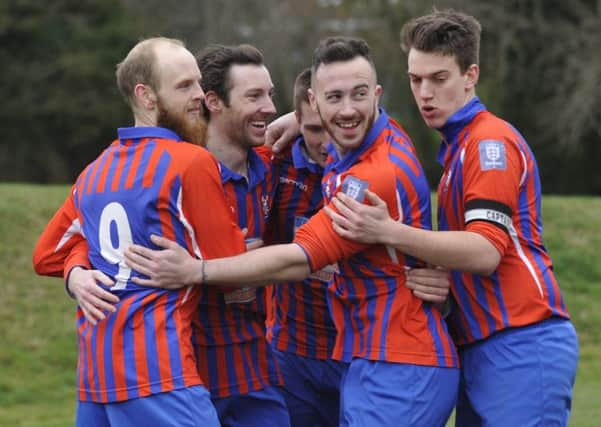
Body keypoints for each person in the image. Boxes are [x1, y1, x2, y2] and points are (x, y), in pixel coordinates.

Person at [125, 36, 460, 427]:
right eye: (333, 98)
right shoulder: (361, 137)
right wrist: (78, 271)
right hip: (346, 357)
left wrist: (196, 270)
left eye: (359, 95)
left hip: (400, 361)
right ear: (313, 104)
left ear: (377, 95)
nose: (348, 109)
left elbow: (301, 257)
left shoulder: (372, 177)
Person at [323, 10, 579, 426]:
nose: (425, 93)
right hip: (482, 347)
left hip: (523, 342)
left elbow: (484, 252)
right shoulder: (458, 148)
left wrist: (389, 231)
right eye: (416, 79)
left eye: (439, 79)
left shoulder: (487, 143)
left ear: (470, 75)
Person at [32, 37, 247, 427]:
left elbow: (48, 254)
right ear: (146, 96)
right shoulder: (192, 162)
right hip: (160, 374)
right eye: (184, 86)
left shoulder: (95, 171)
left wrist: (75, 273)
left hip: (96, 379)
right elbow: (232, 268)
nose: (200, 95)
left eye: (198, 83)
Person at [192, 44, 288, 427]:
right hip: (193, 378)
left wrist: (300, 116)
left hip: (255, 368)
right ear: (213, 101)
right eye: (254, 96)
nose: (269, 107)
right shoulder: (177, 174)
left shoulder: (269, 163)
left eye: (270, 94)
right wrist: (77, 273)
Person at [264, 67, 346, 427]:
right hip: (292, 350)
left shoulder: (377, 163)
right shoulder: (276, 164)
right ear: (298, 120)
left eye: (332, 127)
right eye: (313, 129)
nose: (327, 142)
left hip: (356, 352)